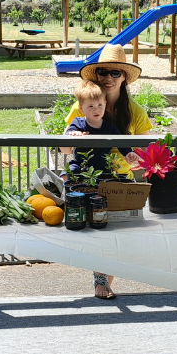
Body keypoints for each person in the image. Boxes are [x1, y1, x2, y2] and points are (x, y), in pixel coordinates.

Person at [64, 44, 150, 299]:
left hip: (119, 180)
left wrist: (137, 159)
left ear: (124, 78)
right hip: (87, 179)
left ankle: (102, 281)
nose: (109, 78)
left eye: (116, 73)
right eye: (103, 71)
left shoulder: (134, 111)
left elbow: (146, 148)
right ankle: (101, 280)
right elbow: (67, 147)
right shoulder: (80, 108)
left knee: (114, 236)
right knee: (94, 231)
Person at [65, 81, 126, 179]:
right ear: (81, 108)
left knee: (107, 182)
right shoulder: (78, 123)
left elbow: (121, 142)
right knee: (68, 174)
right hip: (80, 165)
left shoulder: (109, 126)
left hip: (102, 168)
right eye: (91, 106)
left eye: (100, 105)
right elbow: (69, 132)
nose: (96, 110)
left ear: (105, 104)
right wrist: (73, 133)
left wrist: (128, 153)